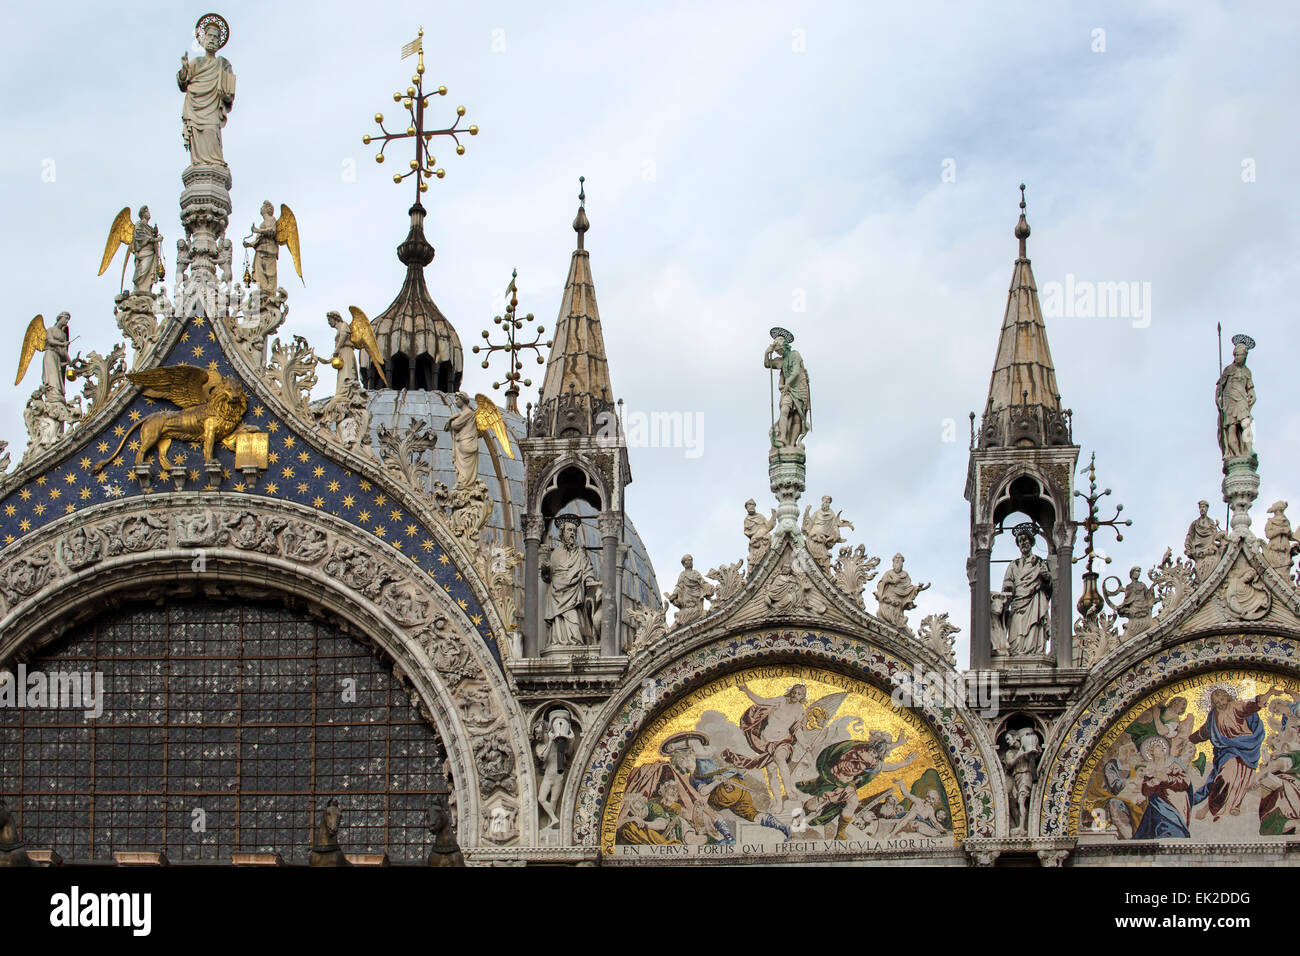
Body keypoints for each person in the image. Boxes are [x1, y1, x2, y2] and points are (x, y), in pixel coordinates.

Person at [1190, 685, 1287, 822]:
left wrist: (1269, 693)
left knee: (1242, 778)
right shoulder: (1213, 716)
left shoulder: (1235, 706)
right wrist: (1189, 740)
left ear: (1227, 697)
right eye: (1217, 702)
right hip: (1228, 750)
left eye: (1222, 699)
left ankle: (1234, 804)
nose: (1221, 703)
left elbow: (1252, 705)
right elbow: (1204, 732)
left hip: (1246, 747)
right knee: (1226, 775)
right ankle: (1212, 807)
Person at [177, 18, 236, 167]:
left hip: (213, 108)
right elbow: (183, 84)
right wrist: (184, 69)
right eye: (209, 36)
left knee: (211, 133)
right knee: (197, 142)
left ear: (219, 42)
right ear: (203, 39)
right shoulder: (196, 63)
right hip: (194, 108)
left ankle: (214, 163)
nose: (212, 39)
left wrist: (226, 95)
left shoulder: (223, 64)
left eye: (216, 37)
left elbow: (229, 93)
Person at [541, 517, 601, 648]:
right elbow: (548, 577)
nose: (572, 533)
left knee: (574, 620)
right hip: (557, 594)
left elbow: (587, 569)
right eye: (569, 530)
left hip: (573, 596)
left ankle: (575, 641)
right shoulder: (556, 553)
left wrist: (589, 579)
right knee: (559, 621)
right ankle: (558, 641)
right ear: (562, 533)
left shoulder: (580, 554)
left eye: (574, 531)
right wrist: (545, 569)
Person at [1000, 528, 1052, 655]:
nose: (1023, 543)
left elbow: (1049, 585)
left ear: (1031, 542)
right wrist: (1008, 592)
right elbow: (1008, 582)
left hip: (1034, 600)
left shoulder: (1038, 562)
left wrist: (1046, 578)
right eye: (1020, 541)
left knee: (1034, 627)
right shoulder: (1014, 564)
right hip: (1017, 602)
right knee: (1016, 630)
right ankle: (1017, 651)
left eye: (1025, 540)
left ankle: (1034, 650)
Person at [764, 329, 810, 451]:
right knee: (784, 410)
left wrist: (787, 384)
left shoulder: (795, 355)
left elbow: (795, 372)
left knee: (797, 417)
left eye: (779, 350)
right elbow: (767, 364)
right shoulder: (781, 360)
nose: (778, 353)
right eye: (776, 351)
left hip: (800, 388)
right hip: (788, 390)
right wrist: (767, 353)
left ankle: (792, 444)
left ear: (784, 347)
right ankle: (783, 438)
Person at [1216, 339, 1256, 459]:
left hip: (1241, 400)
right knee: (1231, 427)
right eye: (1236, 355)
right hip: (1229, 400)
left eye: (1239, 355)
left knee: (1246, 424)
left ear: (1245, 356)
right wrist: (1217, 398)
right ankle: (1236, 454)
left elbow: (1250, 388)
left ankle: (1249, 449)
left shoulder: (1247, 372)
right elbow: (1220, 386)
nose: (1237, 357)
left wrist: (1252, 394)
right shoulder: (1228, 370)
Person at [874, 554, 929, 631]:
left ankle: (898, 626)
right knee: (884, 613)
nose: (897, 562)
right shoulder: (888, 573)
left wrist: (917, 588)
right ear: (893, 563)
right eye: (896, 560)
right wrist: (891, 581)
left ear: (902, 563)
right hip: (888, 598)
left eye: (899, 560)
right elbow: (881, 583)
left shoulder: (905, 575)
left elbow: (908, 587)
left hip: (898, 601)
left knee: (897, 617)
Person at [1184, 500, 1227, 580]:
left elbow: (1215, 534)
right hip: (1198, 548)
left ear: (1207, 509)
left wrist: (1221, 533)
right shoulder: (1195, 523)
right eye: (1200, 507)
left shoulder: (1210, 522)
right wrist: (1187, 544)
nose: (1202, 509)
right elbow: (1190, 535)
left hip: (1210, 546)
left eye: (1204, 507)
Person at [244, 201, 279, 296]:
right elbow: (259, 239)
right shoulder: (263, 223)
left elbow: (272, 231)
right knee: (259, 271)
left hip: (269, 249)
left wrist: (257, 230)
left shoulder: (272, 219)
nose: (261, 208)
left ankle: (270, 291)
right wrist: (249, 244)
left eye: (262, 207)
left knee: (269, 271)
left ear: (267, 209)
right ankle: (263, 289)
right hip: (260, 249)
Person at [129, 206, 161, 295]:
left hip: (151, 252)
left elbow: (150, 238)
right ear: (143, 214)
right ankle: (139, 288)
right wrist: (155, 239)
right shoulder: (139, 224)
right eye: (147, 211)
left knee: (149, 272)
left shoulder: (149, 227)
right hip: (144, 252)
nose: (149, 213)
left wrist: (155, 235)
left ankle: (146, 290)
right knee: (142, 270)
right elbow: (140, 237)